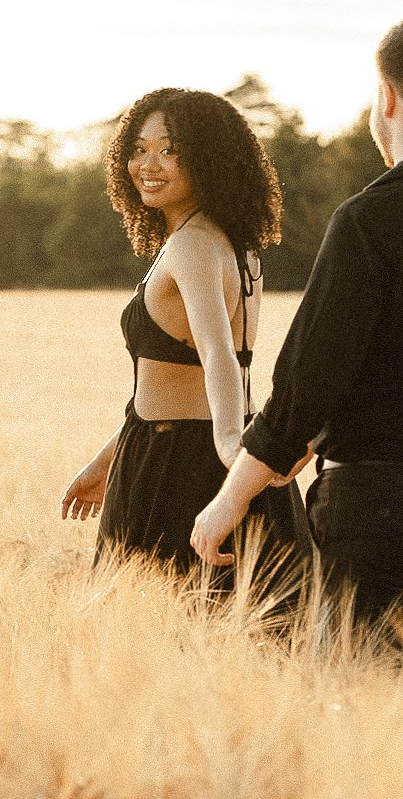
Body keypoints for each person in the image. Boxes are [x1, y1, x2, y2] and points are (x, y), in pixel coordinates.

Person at [191, 13, 403, 647]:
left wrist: (227, 504)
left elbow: (305, 382)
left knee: (352, 711)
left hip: (382, 507)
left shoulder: (368, 220)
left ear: (387, 96)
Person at [61, 87, 304, 602]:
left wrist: (226, 446)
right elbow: (180, 376)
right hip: (221, 451)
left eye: (170, 150)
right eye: (138, 149)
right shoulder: (231, 242)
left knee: (146, 651)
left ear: (208, 159)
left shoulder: (191, 243)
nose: (149, 164)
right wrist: (106, 461)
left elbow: (218, 353)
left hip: (174, 466)